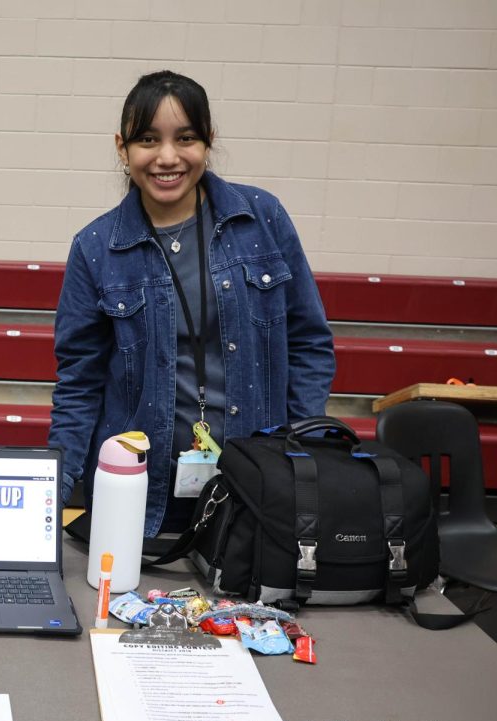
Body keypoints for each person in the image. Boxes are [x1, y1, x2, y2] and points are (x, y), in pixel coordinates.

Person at [49, 70, 335, 539]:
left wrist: (299, 455)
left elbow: (309, 344)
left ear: (208, 142)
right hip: (138, 503)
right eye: (147, 139)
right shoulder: (96, 247)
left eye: (185, 138)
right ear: (122, 148)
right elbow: (79, 383)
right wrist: (52, 496)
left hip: (256, 492)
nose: (167, 157)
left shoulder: (262, 218)